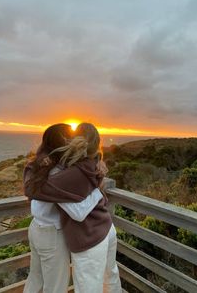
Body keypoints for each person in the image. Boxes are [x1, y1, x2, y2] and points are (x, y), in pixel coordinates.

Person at [24, 123, 122, 293]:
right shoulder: (59, 171)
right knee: (56, 287)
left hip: (42, 228)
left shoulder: (48, 167)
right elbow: (78, 212)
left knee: (38, 277)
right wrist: (97, 192)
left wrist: (98, 163)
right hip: (53, 232)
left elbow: (31, 185)